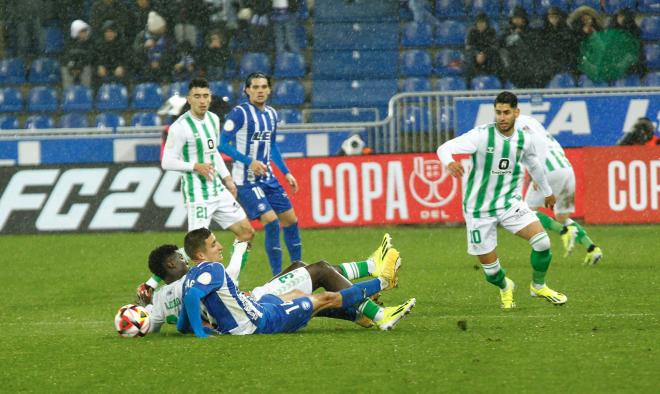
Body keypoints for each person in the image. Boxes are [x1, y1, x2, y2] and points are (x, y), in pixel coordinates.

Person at [436, 91, 567, 310]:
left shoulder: (524, 139)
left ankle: (538, 286)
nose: (502, 117)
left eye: (506, 112)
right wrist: (449, 162)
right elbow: (444, 148)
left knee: (543, 242)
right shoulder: (480, 136)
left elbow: (533, 163)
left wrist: (547, 191)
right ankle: (506, 286)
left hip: (509, 203)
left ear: (517, 112)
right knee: (491, 273)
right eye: (498, 112)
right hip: (479, 209)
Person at [148, 229, 413, 337]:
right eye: (214, 244)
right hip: (261, 320)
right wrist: (201, 333)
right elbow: (194, 299)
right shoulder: (209, 271)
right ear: (200, 255)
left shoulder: (172, 291)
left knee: (300, 283)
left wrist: (195, 327)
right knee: (322, 294)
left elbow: (183, 314)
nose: (219, 247)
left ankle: (363, 308)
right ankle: (381, 290)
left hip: (257, 305)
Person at [142, 78, 254, 294]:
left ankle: (231, 281)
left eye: (206, 96)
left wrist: (227, 178)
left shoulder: (212, 119)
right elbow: (167, 161)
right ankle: (151, 284)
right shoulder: (180, 128)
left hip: (218, 190)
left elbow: (213, 154)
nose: (202, 101)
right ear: (189, 99)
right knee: (197, 250)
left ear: (210, 98)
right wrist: (195, 166)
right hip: (197, 195)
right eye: (197, 96)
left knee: (246, 232)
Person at [219, 73, 302, 276]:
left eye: (264, 87)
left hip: (269, 178)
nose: (260, 90)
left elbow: (271, 146)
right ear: (247, 90)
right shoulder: (240, 113)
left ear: (269, 90)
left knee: (291, 221)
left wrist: (286, 172)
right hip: (246, 181)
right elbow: (222, 144)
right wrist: (250, 161)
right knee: (272, 222)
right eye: (255, 87)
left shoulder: (272, 114)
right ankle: (277, 276)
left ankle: (299, 270)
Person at [518, 114, 603, 266]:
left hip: (549, 171)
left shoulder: (519, 132)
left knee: (526, 212)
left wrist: (537, 175)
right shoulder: (539, 130)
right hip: (567, 170)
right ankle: (592, 248)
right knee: (562, 217)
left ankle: (565, 231)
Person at [464, 13, 503, 86]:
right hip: (475, 58)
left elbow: (495, 46)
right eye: (479, 23)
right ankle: (468, 89)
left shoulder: (492, 32)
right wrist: (477, 54)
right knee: (468, 62)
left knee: (498, 60)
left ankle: (499, 86)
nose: (480, 25)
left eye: (482, 22)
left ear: (486, 23)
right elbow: (469, 47)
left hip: (489, 58)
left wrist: (484, 54)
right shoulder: (472, 32)